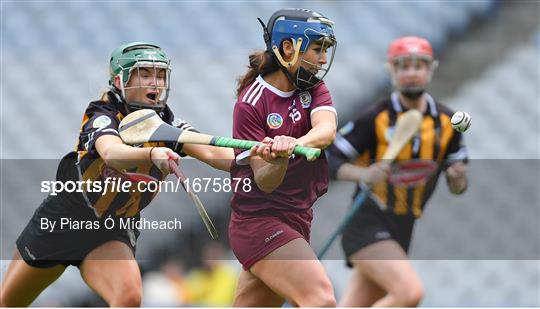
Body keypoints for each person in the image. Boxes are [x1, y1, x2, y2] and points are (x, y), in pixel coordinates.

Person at [0, 42, 235, 307]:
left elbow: (219, 155)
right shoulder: (101, 114)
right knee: (9, 303)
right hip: (63, 222)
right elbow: (111, 152)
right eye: (145, 74)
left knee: (129, 296)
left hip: (112, 229)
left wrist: (261, 154)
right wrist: (150, 155)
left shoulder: (167, 126)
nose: (155, 83)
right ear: (119, 80)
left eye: (159, 75)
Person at [326, 36, 468, 307]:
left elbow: (458, 187)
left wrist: (457, 177)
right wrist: (363, 174)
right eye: (403, 66)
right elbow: (328, 160)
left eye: (419, 65)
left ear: (431, 69)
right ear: (392, 70)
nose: (411, 73)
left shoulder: (448, 122)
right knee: (409, 293)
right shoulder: (375, 117)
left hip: (404, 226)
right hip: (368, 223)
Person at [229, 8, 338, 307]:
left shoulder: (314, 87)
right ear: (288, 48)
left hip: (298, 217)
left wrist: (293, 144)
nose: (323, 59)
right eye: (317, 49)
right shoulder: (251, 103)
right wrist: (277, 159)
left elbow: (326, 131)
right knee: (321, 300)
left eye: (326, 50)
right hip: (259, 222)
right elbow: (264, 180)